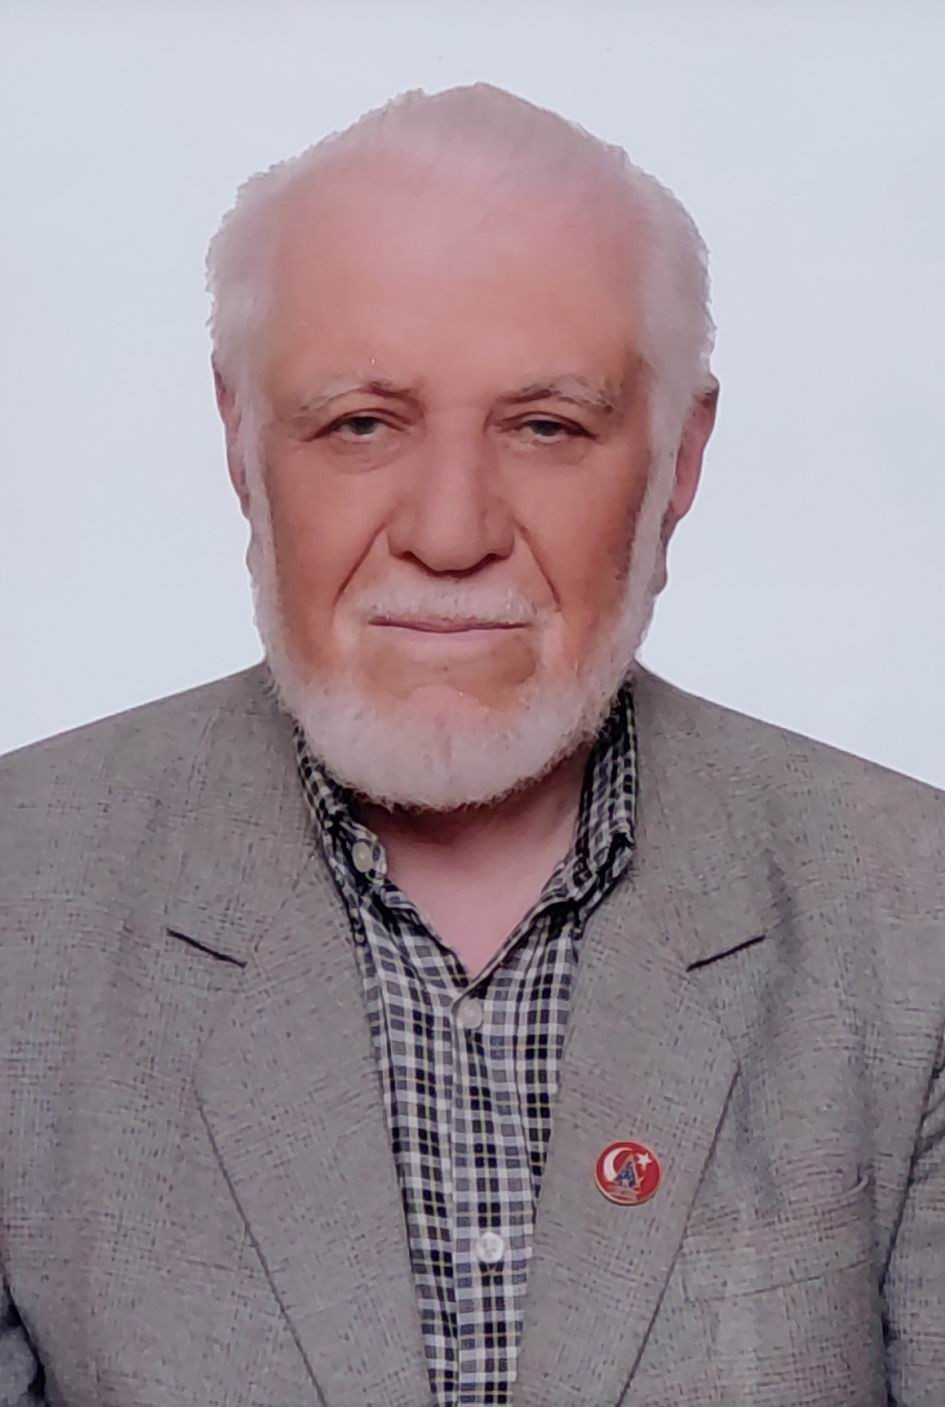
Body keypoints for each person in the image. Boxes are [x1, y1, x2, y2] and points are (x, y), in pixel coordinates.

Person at [1, 82, 942, 1407]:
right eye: (361, 423)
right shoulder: (22, 907)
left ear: (677, 462)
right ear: (240, 444)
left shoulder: (914, 920)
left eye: (546, 427)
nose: (451, 534)